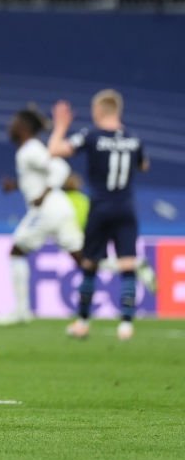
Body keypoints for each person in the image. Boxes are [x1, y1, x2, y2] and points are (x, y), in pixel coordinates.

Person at [48, 90, 149, 341]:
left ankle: (82, 322)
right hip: (126, 207)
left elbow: (55, 150)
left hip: (101, 207)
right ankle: (126, 325)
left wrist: (61, 126)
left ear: (99, 111)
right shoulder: (134, 138)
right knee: (127, 264)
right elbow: (143, 166)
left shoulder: (91, 135)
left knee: (90, 264)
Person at [0, 106, 83, 325]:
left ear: (23, 127)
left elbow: (60, 168)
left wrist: (44, 194)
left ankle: (22, 311)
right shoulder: (28, 150)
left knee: (16, 251)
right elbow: (38, 177)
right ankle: (132, 266)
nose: (10, 127)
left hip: (47, 210)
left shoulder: (30, 149)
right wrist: (15, 186)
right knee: (84, 258)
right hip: (60, 209)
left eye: (14, 123)